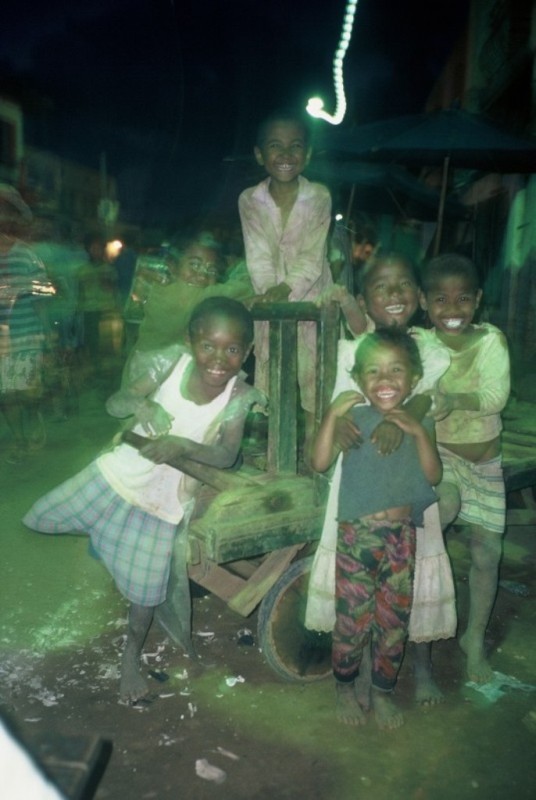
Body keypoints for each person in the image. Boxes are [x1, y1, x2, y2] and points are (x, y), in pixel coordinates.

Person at [23, 297, 263, 703]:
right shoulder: (170, 363)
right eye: (208, 345)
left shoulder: (239, 395)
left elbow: (227, 454)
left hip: (163, 504)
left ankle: (130, 659)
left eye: (232, 350)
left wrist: (180, 445)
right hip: (117, 476)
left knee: (145, 597)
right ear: (190, 341)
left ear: (247, 352)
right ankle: (107, 543)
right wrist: (140, 402)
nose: (218, 359)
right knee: (41, 516)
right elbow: (114, 402)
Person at [306, 251, 456, 707]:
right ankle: (346, 684)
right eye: (380, 287)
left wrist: (406, 419)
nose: (393, 295)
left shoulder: (426, 347)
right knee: (352, 613)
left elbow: (424, 399)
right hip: (357, 515)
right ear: (363, 299)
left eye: (403, 284)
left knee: (398, 611)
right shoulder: (355, 354)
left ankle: (392, 683)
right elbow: (341, 405)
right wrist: (340, 419)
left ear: (420, 296)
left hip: (403, 524)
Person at [312, 328, 442, 730]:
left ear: (415, 377)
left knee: (393, 622)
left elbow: (433, 475)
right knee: (351, 619)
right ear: (358, 379)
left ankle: (382, 692)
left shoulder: (419, 420)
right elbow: (318, 463)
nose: (385, 380)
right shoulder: (352, 417)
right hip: (358, 537)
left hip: (401, 537)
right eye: (374, 372)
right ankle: (345, 688)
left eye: (396, 370)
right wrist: (332, 415)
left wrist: (418, 431)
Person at [419, 253, 510, 684]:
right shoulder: (421, 343)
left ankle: (473, 638)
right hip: (445, 459)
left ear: (477, 300)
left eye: (462, 299)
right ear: (424, 301)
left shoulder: (491, 341)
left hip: (486, 460)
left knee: (487, 553)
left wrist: (454, 400)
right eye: (440, 299)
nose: (452, 310)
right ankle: (422, 622)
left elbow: (495, 397)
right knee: (444, 511)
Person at [238, 109, 333, 456]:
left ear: (307, 154)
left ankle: (314, 455)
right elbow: (257, 254)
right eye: (275, 147)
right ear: (260, 154)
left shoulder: (318, 196)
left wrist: (286, 289)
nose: (286, 155)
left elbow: (313, 255)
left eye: (295, 146)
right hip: (270, 302)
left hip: (314, 303)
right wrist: (269, 293)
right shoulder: (250, 200)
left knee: (314, 381)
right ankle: (278, 454)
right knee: (274, 374)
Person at [132, 232, 253, 355]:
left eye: (212, 270)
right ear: (173, 266)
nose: (202, 276)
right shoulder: (173, 294)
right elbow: (244, 288)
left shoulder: (159, 287)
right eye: (194, 264)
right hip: (154, 370)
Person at [0, 184, 53, 463]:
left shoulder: (27, 255)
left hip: (27, 335)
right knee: (7, 394)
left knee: (23, 392)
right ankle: (20, 440)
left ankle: (33, 413)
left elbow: (43, 296)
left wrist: (50, 337)